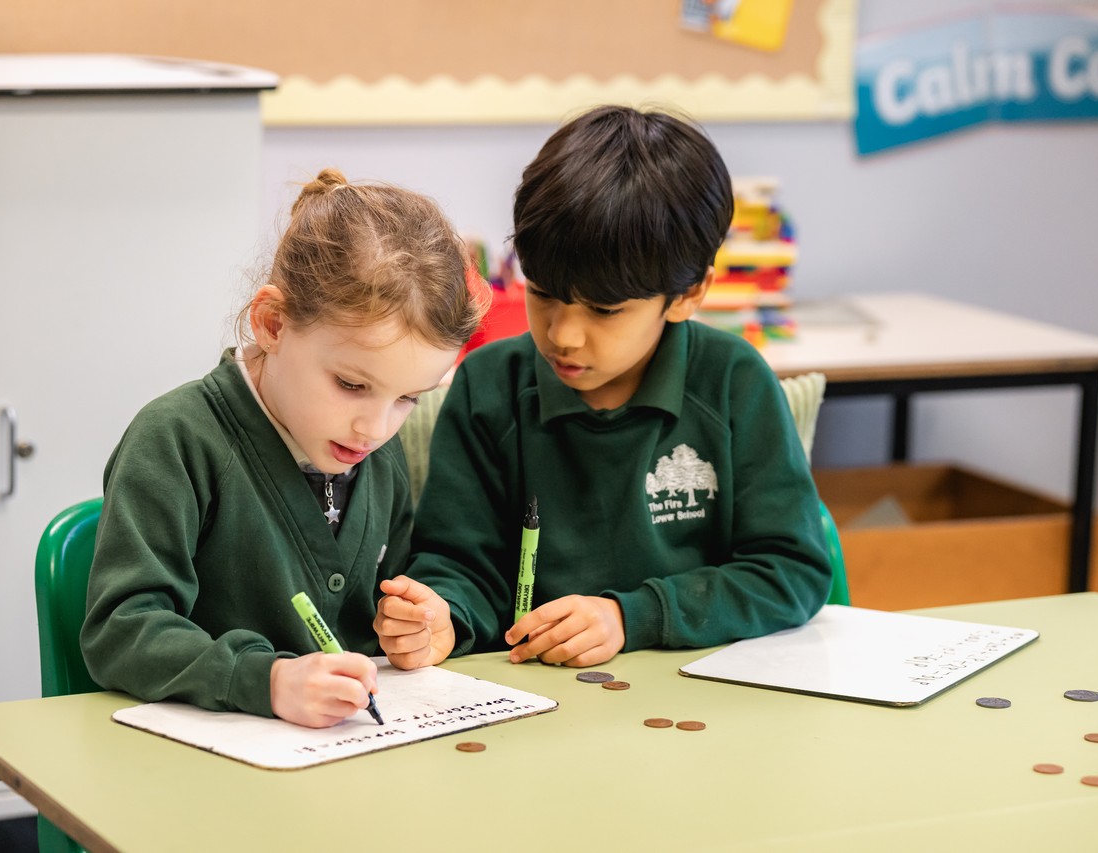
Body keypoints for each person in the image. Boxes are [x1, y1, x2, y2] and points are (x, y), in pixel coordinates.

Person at [374, 105, 832, 670]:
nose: (563, 335)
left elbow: (791, 571)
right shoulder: (488, 386)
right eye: (543, 294)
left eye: (605, 309)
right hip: (535, 702)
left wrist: (633, 616)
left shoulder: (734, 382)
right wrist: (443, 617)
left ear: (688, 294)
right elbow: (459, 565)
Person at [81, 169, 487, 728]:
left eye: (409, 399)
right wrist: (265, 680)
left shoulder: (375, 455)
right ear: (273, 324)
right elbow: (121, 630)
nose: (375, 427)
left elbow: (381, 617)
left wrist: (414, 629)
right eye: (351, 384)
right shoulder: (175, 440)